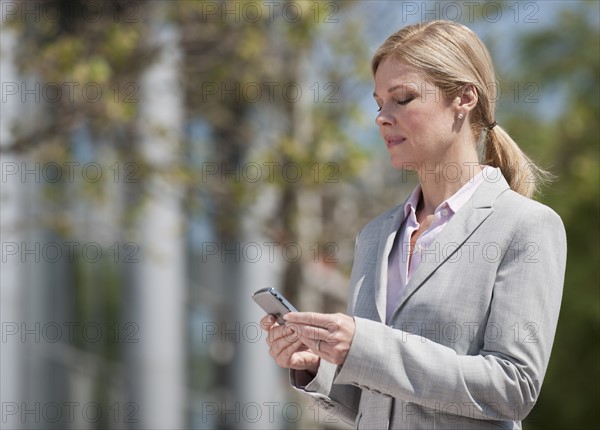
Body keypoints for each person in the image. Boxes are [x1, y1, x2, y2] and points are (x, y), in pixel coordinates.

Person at [260, 20, 566, 429]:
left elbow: (513, 387)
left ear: (464, 97)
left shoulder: (526, 226)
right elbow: (373, 402)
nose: (382, 118)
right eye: (378, 103)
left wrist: (364, 345)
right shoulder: (375, 237)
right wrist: (319, 364)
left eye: (402, 99)